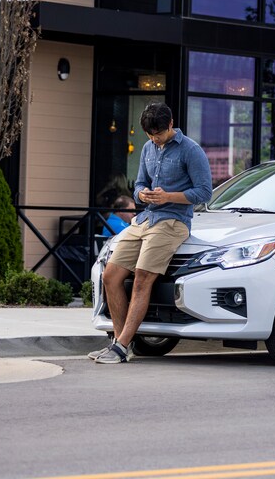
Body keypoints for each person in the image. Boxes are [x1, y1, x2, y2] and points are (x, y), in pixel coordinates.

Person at [90, 103, 212, 364]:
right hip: (145, 219)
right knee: (110, 275)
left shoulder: (191, 150)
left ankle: (121, 347)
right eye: (150, 135)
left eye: (158, 134)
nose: (154, 139)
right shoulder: (147, 148)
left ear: (171, 124)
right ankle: (119, 343)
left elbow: (204, 192)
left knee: (143, 278)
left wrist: (169, 196)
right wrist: (141, 194)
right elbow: (139, 184)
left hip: (173, 222)